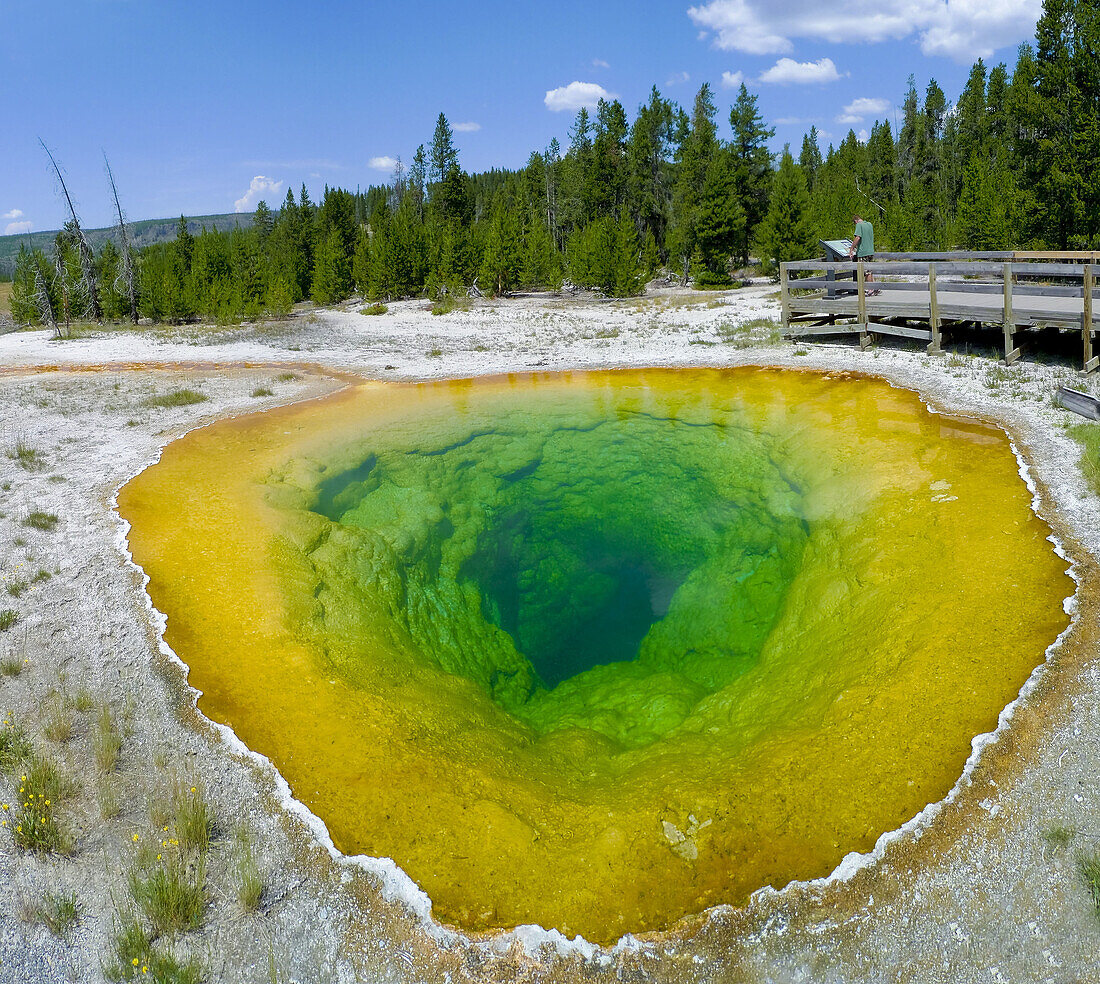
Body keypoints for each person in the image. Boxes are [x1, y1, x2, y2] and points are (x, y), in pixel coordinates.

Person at [849, 214, 879, 295]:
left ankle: (870, 289)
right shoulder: (869, 224)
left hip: (863, 252)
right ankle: (874, 287)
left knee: (866, 272)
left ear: (855, 221)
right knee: (870, 270)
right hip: (870, 250)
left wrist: (851, 248)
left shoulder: (859, 225)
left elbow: (858, 237)